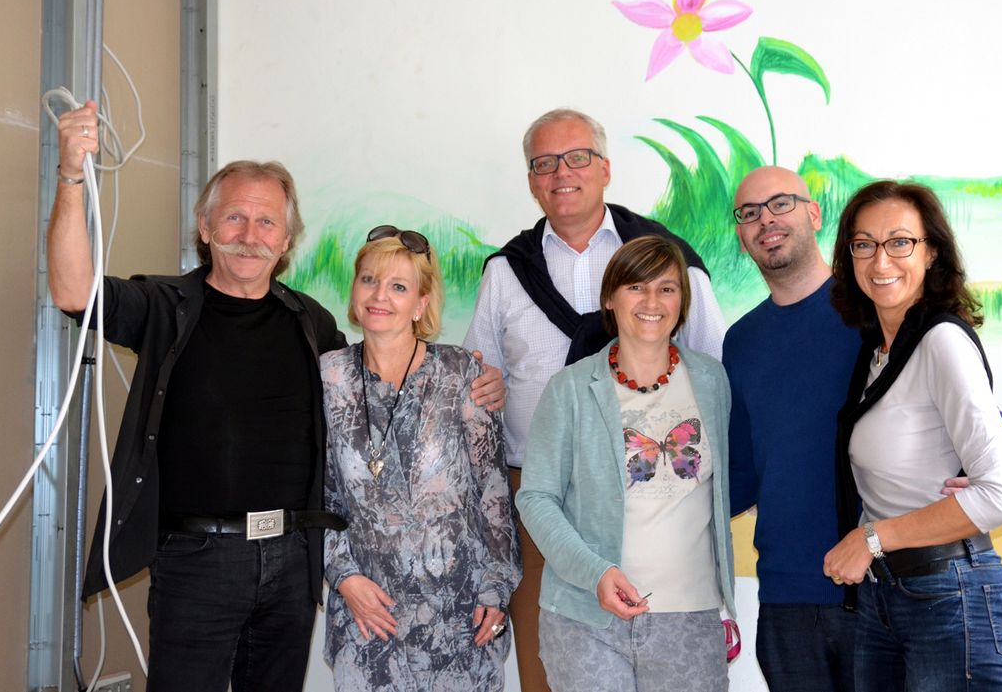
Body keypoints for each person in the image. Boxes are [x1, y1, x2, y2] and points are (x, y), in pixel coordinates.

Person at [48, 102, 504, 691]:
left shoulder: (309, 323)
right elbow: (72, 290)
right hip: (195, 563)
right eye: (233, 218)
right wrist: (69, 175)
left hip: (291, 563)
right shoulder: (165, 307)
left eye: (266, 223)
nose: (249, 236)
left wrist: (478, 381)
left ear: (285, 240)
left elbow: (387, 379)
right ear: (206, 227)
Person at [463, 107, 725, 692]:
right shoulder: (506, 271)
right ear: (531, 180)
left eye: (577, 157)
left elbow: (714, 371)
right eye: (544, 163)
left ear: (605, 168)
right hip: (538, 495)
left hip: (658, 495)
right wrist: (489, 389)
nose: (562, 173)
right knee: (547, 658)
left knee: (665, 657)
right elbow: (477, 382)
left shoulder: (667, 257)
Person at [824, 180, 1002, 691]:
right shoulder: (877, 354)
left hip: (952, 599)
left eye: (899, 242)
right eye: (863, 244)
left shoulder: (941, 341)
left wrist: (870, 538)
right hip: (885, 597)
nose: (880, 260)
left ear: (931, 252)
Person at [516, 235, 736, 692]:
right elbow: (537, 497)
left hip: (689, 618)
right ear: (610, 299)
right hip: (585, 619)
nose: (652, 300)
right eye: (636, 286)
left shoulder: (712, 381)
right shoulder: (570, 389)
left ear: (683, 302)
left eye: (667, 288)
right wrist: (595, 573)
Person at [320, 226, 521, 691]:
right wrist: (343, 577)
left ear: (422, 303)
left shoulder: (461, 373)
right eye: (369, 280)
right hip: (368, 615)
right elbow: (318, 493)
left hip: (460, 617)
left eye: (399, 287)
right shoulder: (327, 377)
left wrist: (496, 588)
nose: (379, 296)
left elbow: (492, 491)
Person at [723, 166, 862, 692]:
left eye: (780, 204)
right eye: (750, 213)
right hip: (785, 597)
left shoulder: (873, 313)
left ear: (814, 213)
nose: (766, 221)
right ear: (741, 235)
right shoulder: (741, 341)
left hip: (877, 590)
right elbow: (738, 475)